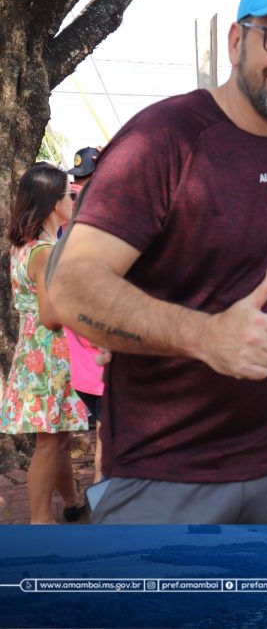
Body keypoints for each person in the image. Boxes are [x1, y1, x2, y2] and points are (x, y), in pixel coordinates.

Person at [47, 0, 267, 524]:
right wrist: (203, 335)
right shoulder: (165, 139)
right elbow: (71, 287)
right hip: (166, 477)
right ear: (237, 41)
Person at [2, 163, 91, 524]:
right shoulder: (46, 252)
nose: (74, 200)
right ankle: (40, 520)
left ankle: (71, 503)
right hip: (49, 354)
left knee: (58, 437)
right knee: (49, 443)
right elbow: (52, 316)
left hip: (36, 352)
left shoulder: (25, 248)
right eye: (70, 194)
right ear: (54, 202)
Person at [65, 146, 106, 482]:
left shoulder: (65, 239)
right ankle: (103, 505)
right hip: (100, 368)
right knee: (108, 446)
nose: (79, 189)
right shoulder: (96, 243)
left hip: (83, 370)